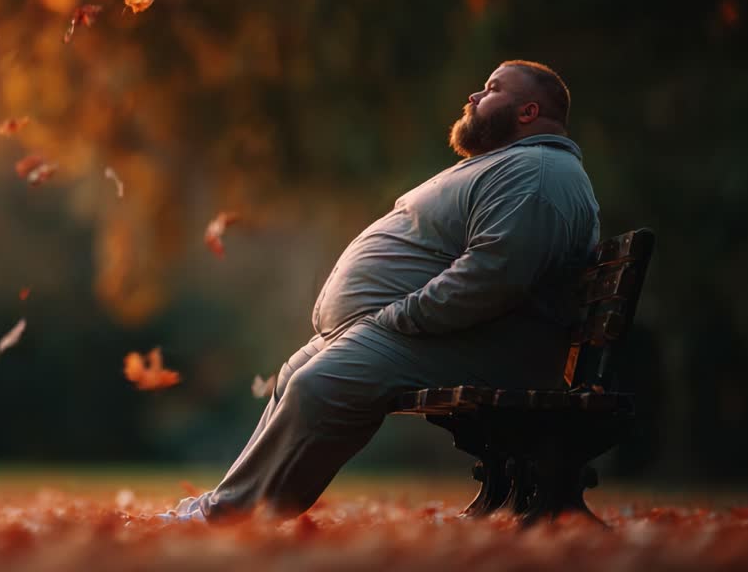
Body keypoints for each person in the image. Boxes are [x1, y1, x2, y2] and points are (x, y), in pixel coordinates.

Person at [161, 60, 600, 523]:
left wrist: (397, 317)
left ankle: (230, 519)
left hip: (477, 344)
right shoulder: (514, 165)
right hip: (428, 334)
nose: (474, 97)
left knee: (319, 386)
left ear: (529, 111)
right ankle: (224, 505)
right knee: (295, 373)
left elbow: (494, 274)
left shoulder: (538, 173)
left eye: (491, 89)